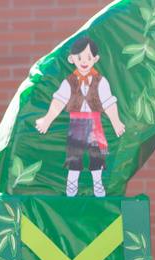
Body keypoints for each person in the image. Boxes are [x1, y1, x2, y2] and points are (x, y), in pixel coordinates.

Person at [33, 35, 127, 198]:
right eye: (79, 57)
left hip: (95, 124)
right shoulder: (69, 82)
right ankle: (71, 189)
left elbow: (109, 103)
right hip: (76, 124)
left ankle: (98, 188)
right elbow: (58, 101)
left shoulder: (101, 81)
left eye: (89, 57)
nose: (84, 61)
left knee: (96, 156)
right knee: (73, 158)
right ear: (71, 59)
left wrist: (116, 122)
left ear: (95, 59)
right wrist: (46, 120)